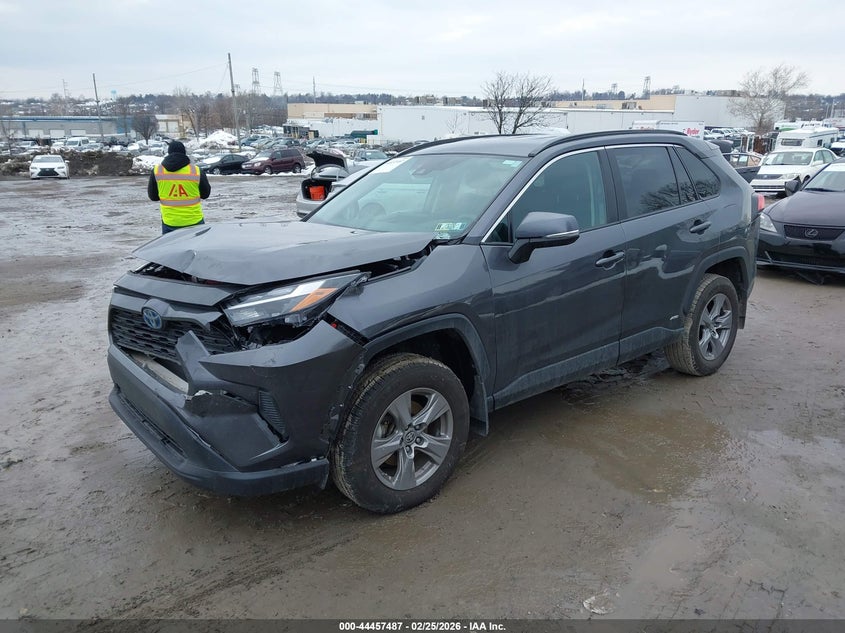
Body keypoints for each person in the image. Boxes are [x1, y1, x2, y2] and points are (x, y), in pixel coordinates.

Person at [147, 140, 210, 234]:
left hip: (170, 222)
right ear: (184, 153)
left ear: (168, 153)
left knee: (171, 248)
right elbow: (205, 194)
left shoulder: (157, 171)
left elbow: (153, 197)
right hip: (194, 221)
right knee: (195, 248)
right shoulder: (196, 171)